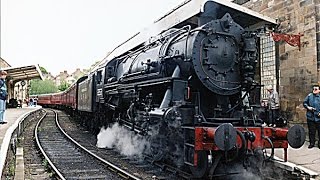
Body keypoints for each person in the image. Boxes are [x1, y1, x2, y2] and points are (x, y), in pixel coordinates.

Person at [303, 84, 320, 149]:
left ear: (319, 90)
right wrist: (308, 107)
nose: (314, 90)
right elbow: (305, 103)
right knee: (311, 131)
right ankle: (312, 143)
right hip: (311, 117)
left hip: (318, 118)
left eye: (316, 89)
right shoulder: (309, 96)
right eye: (313, 89)